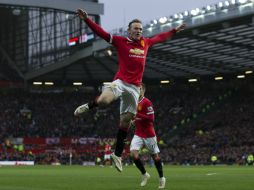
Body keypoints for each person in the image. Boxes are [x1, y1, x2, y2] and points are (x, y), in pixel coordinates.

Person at [74, 8, 186, 172]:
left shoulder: (145, 43)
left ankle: (117, 155)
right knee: (105, 100)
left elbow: (161, 37)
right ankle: (89, 106)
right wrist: (87, 20)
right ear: (129, 30)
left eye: (140, 29)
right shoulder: (120, 41)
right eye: (135, 29)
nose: (138, 31)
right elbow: (103, 34)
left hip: (134, 88)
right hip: (120, 82)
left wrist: (174, 30)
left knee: (126, 121)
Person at [130, 83, 166, 188]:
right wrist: (133, 120)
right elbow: (135, 116)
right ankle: (145, 174)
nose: (138, 90)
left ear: (143, 90)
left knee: (155, 157)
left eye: (140, 89)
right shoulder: (134, 102)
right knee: (133, 155)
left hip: (149, 135)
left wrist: (137, 115)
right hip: (138, 134)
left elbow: (151, 119)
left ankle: (161, 178)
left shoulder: (147, 102)